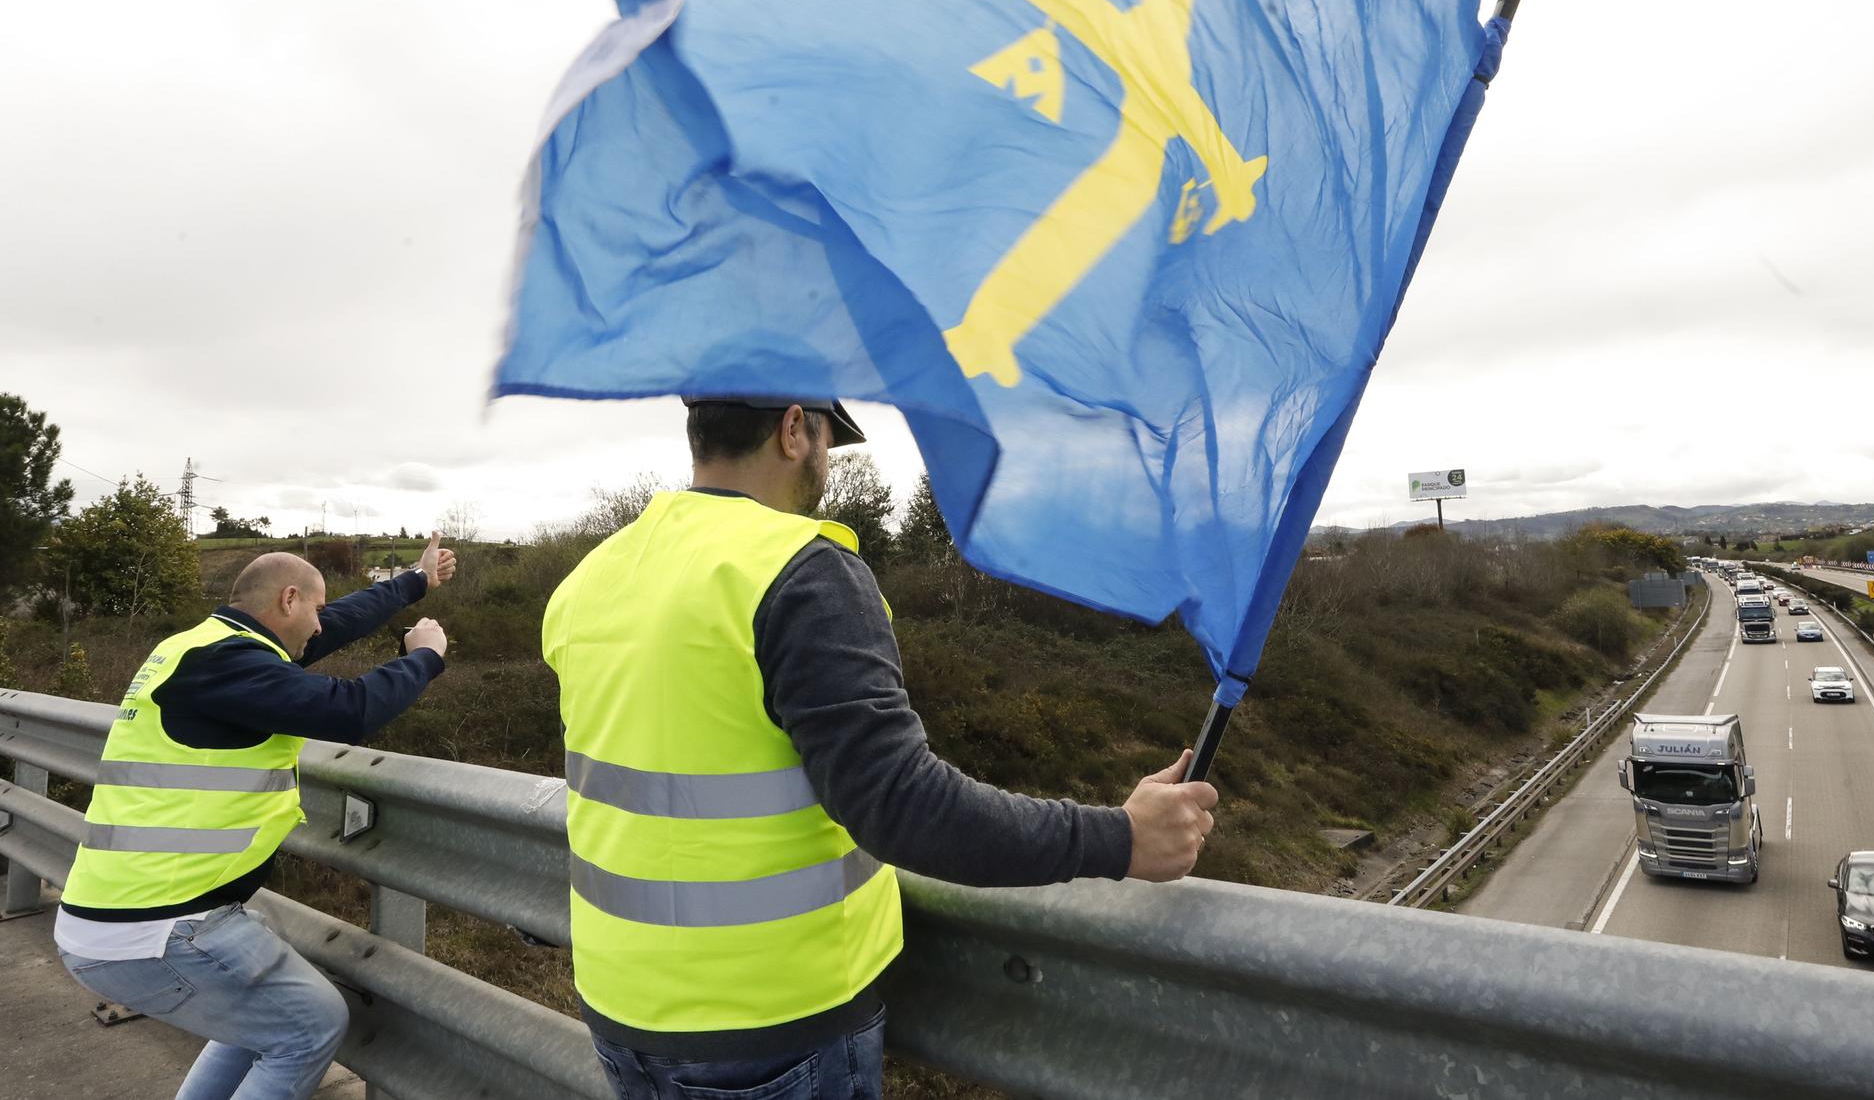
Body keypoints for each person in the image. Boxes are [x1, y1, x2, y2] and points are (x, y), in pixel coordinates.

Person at [544, 398, 1218, 1100]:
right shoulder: (798, 571)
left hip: (620, 1013)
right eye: (829, 437)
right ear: (794, 427)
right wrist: (1119, 837)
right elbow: (902, 802)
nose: (828, 458)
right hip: (770, 1029)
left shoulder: (593, 577)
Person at [55, 532, 459, 1100]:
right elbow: (350, 711)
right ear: (288, 601)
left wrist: (415, 582)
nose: (321, 627)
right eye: (314, 609)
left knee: (260, 1025)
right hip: (158, 928)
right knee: (308, 1026)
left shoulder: (203, 649)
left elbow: (338, 622)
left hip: (131, 915)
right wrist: (425, 656)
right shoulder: (225, 664)